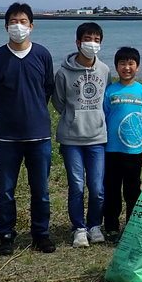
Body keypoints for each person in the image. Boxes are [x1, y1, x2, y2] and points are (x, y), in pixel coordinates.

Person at [0, 2, 56, 255]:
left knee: (41, 189)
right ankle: (6, 234)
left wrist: (33, 110)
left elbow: (47, 88)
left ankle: (41, 234)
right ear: (6, 27)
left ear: (31, 26)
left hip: (39, 134)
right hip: (7, 136)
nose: (18, 26)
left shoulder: (42, 55)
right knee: (5, 189)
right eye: (13, 22)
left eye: (23, 22)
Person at [52, 22, 109, 247]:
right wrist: (74, 117)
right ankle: (79, 228)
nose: (91, 44)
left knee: (97, 188)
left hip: (97, 137)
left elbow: (105, 99)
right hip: (71, 138)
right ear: (77, 42)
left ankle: (95, 225)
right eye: (87, 39)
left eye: (96, 40)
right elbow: (59, 102)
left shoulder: (104, 70)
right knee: (76, 186)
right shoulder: (63, 73)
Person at [102, 46, 142, 244]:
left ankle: (131, 226)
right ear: (116, 67)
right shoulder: (110, 91)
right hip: (111, 150)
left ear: (137, 67)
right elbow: (103, 118)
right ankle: (111, 227)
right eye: (122, 63)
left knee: (132, 190)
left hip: (134, 150)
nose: (126, 67)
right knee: (112, 189)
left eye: (131, 63)